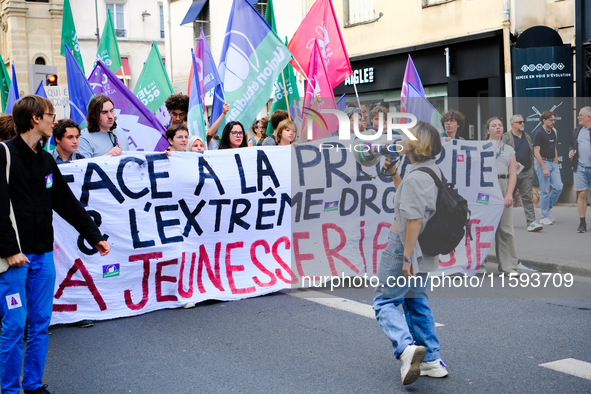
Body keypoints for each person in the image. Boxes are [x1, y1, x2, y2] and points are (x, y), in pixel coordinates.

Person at [0, 95, 110, 394]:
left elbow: (66, 203)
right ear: (36, 118)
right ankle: (8, 390)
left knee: (39, 323)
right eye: (51, 114)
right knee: (14, 323)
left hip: (43, 255)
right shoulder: (4, 154)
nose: (54, 120)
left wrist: (94, 235)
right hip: (14, 258)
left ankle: (33, 385)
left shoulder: (47, 160)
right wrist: (10, 250)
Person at [373, 121, 447, 386]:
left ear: (415, 144)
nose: (399, 140)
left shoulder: (416, 177)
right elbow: (408, 196)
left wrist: (405, 257)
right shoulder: (429, 171)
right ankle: (432, 360)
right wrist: (394, 173)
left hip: (404, 246)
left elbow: (413, 218)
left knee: (384, 301)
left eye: (404, 137)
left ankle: (406, 349)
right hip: (423, 246)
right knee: (416, 299)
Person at [478, 117, 519, 276]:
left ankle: (508, 267)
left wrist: (509, 193)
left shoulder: (509, 150)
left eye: (500, 125)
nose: (497, 128)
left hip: (503, 185)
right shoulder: (480, 147)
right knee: (483, 227)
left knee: (506, 229)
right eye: (493, 126)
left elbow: (513, 174)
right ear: (488, 130)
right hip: (485, 188)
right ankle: (480, 266)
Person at [502, 114, 543, 232]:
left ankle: (532, 223)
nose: (522, 124)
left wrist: (531, 169)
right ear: (512, 124)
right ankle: (501, 222)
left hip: (526, 173)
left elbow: (531, 153)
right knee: (507, 198)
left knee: (527, 198)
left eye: (523, 121)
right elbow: (502, 153)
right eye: (520, 122)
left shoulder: (527, 136)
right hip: (511, 174)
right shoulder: (506, 137)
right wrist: (511, 163)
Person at [533, 110, 563, 225]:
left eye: (554, 120)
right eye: (551, 120)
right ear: (544, 120)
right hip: (543, 162)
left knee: (559, 187)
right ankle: (544, 216)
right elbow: (536, 152)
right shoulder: (539, 133)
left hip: (553, 162)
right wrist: (544, 167)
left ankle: (546, 208)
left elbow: (554, 148)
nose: (553, 122)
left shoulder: (554, 131)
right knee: (544, 190)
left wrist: (556, 162)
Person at [569, 106, 591, 233]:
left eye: (581, 115)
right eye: (578, 115)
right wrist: (570, 152)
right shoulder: (576, 131)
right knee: (582, 194)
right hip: (580, 167)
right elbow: (571, 145)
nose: (579, 117)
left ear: (589, 117)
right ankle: (582, 222)